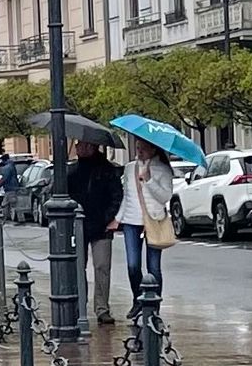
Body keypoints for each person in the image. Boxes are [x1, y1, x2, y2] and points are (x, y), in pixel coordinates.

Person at [64, 138, 123, 323]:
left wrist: (107, 218)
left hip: (101, 226)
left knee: (102, 266)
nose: (77, 147)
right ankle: (79, 305)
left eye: (80, 144)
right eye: (76, 144)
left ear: (91, 146)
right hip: (78, 225)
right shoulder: (71, 171)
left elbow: (116, 196)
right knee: (77, 266)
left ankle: (102, 308)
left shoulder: (107, 170)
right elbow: (62, 194)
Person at [116, 136, 177, 305]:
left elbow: (165, 197)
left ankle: (153, 304)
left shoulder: (162, 169)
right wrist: (118, 218)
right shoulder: (130, 168)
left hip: (154, 220)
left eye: (143, 148)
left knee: (153, 267)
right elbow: (126, 197)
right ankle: (138, 300)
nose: (140, 152)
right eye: (137, 148)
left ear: (153, 149)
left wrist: (149, 180)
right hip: (131, 221)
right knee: (133, 265)